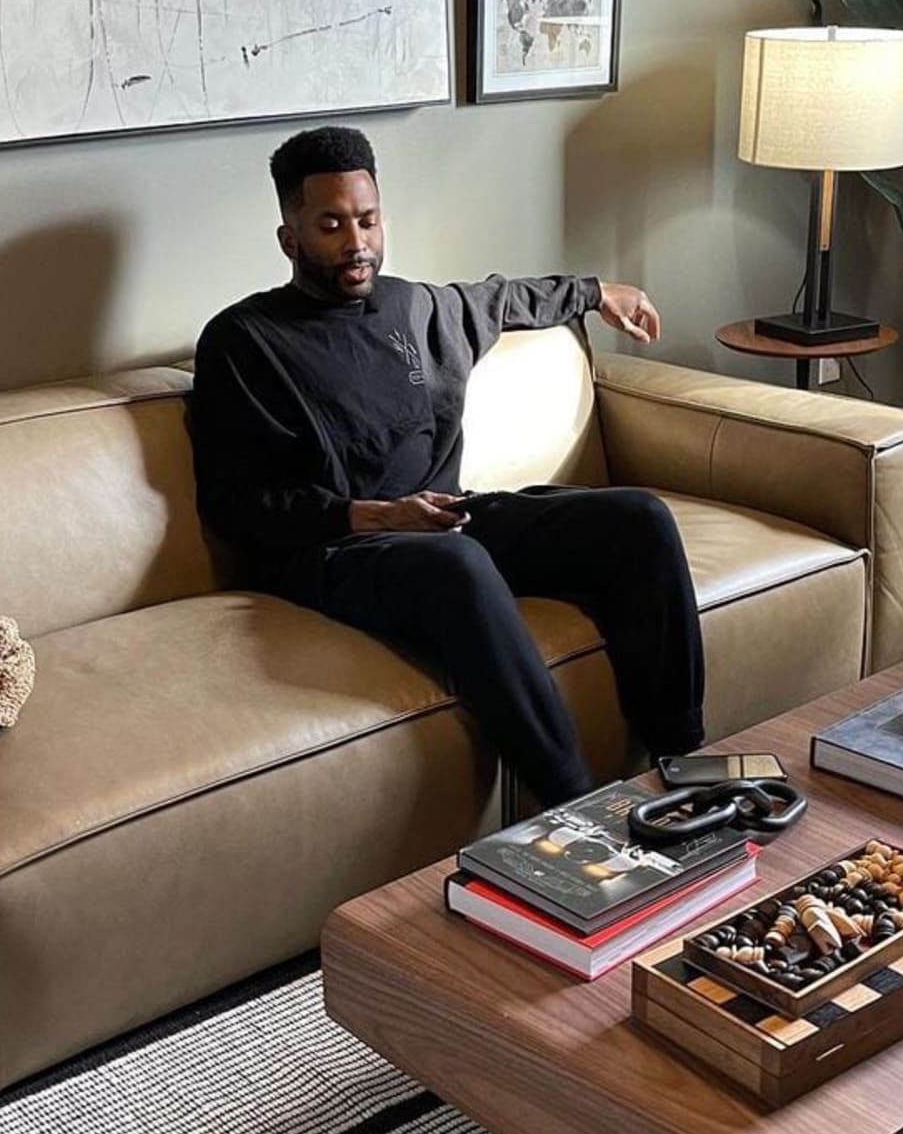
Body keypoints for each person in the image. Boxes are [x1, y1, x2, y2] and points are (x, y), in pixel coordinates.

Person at [188, 125, 705, 807]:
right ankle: (573, 806)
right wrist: (371, 514)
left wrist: (597, 290)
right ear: (290, 238)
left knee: (637, 519)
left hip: (443, 521)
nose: (356, 243)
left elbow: (502, 298)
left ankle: (684, 763)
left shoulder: (413, 307)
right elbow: (237, 503)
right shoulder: (244, 341)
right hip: (334, 550)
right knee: (459, 565)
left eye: (368, 220)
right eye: (331, 225)